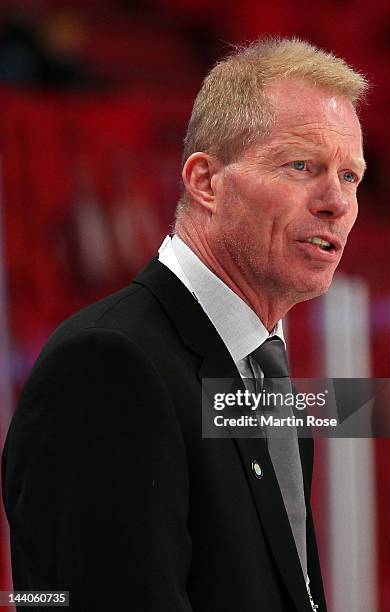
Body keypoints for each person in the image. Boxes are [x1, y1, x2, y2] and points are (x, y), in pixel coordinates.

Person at [2, 37, 367, 611]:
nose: (337, 203)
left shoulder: (265, 375)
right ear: (204, 182)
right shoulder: (107, 365)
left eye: (350, 177)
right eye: (302, 165)